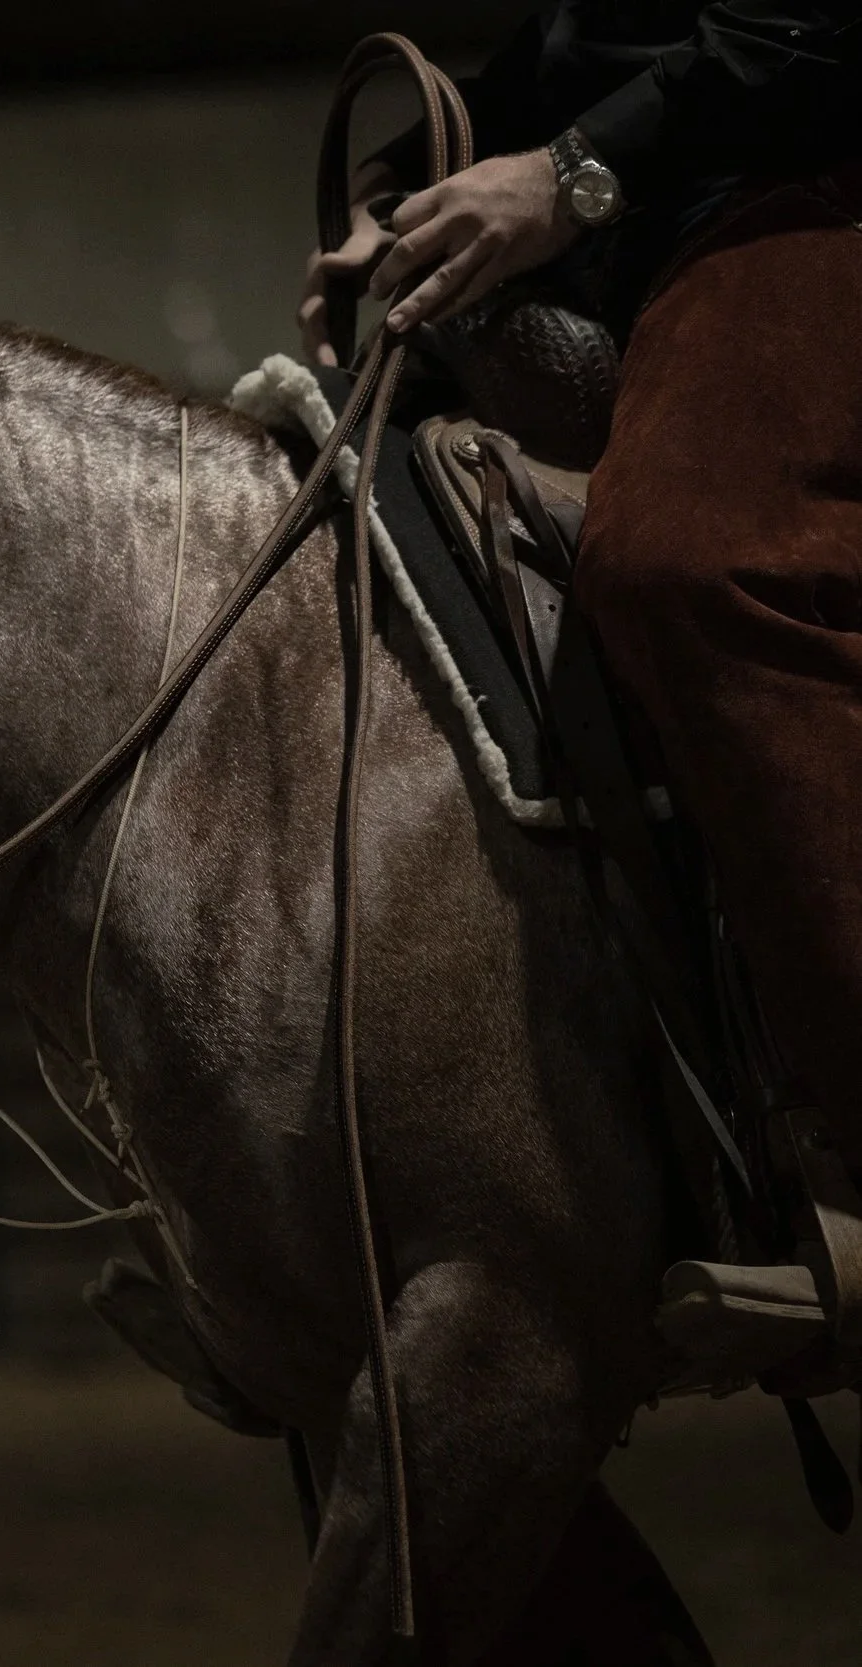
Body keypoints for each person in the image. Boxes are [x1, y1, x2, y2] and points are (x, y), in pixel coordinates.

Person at [298, 5, 861, 1131]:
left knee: (688, 561)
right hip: (648, 223)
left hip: (812, 187)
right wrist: (412, 187)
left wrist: (571, 172)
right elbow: (610, 34)